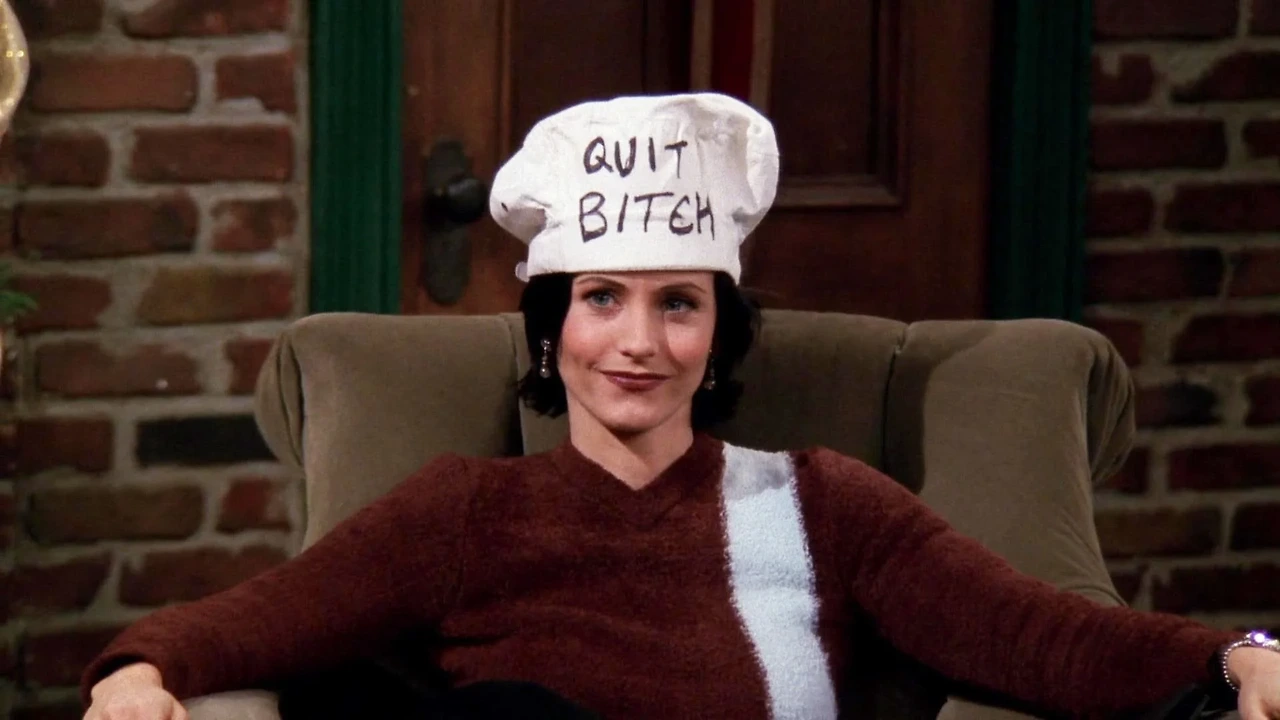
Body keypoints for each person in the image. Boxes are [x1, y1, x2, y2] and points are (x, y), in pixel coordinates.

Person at [81, 93, 1280, 720]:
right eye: (602, 299)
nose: (639, 344)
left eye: (678, 305)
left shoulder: (820, 503)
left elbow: (1037, 633)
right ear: (550, 328)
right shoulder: (464, 509)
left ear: (717, 337)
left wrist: (1234, 653)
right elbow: (262, 619)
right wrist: (139, 672)